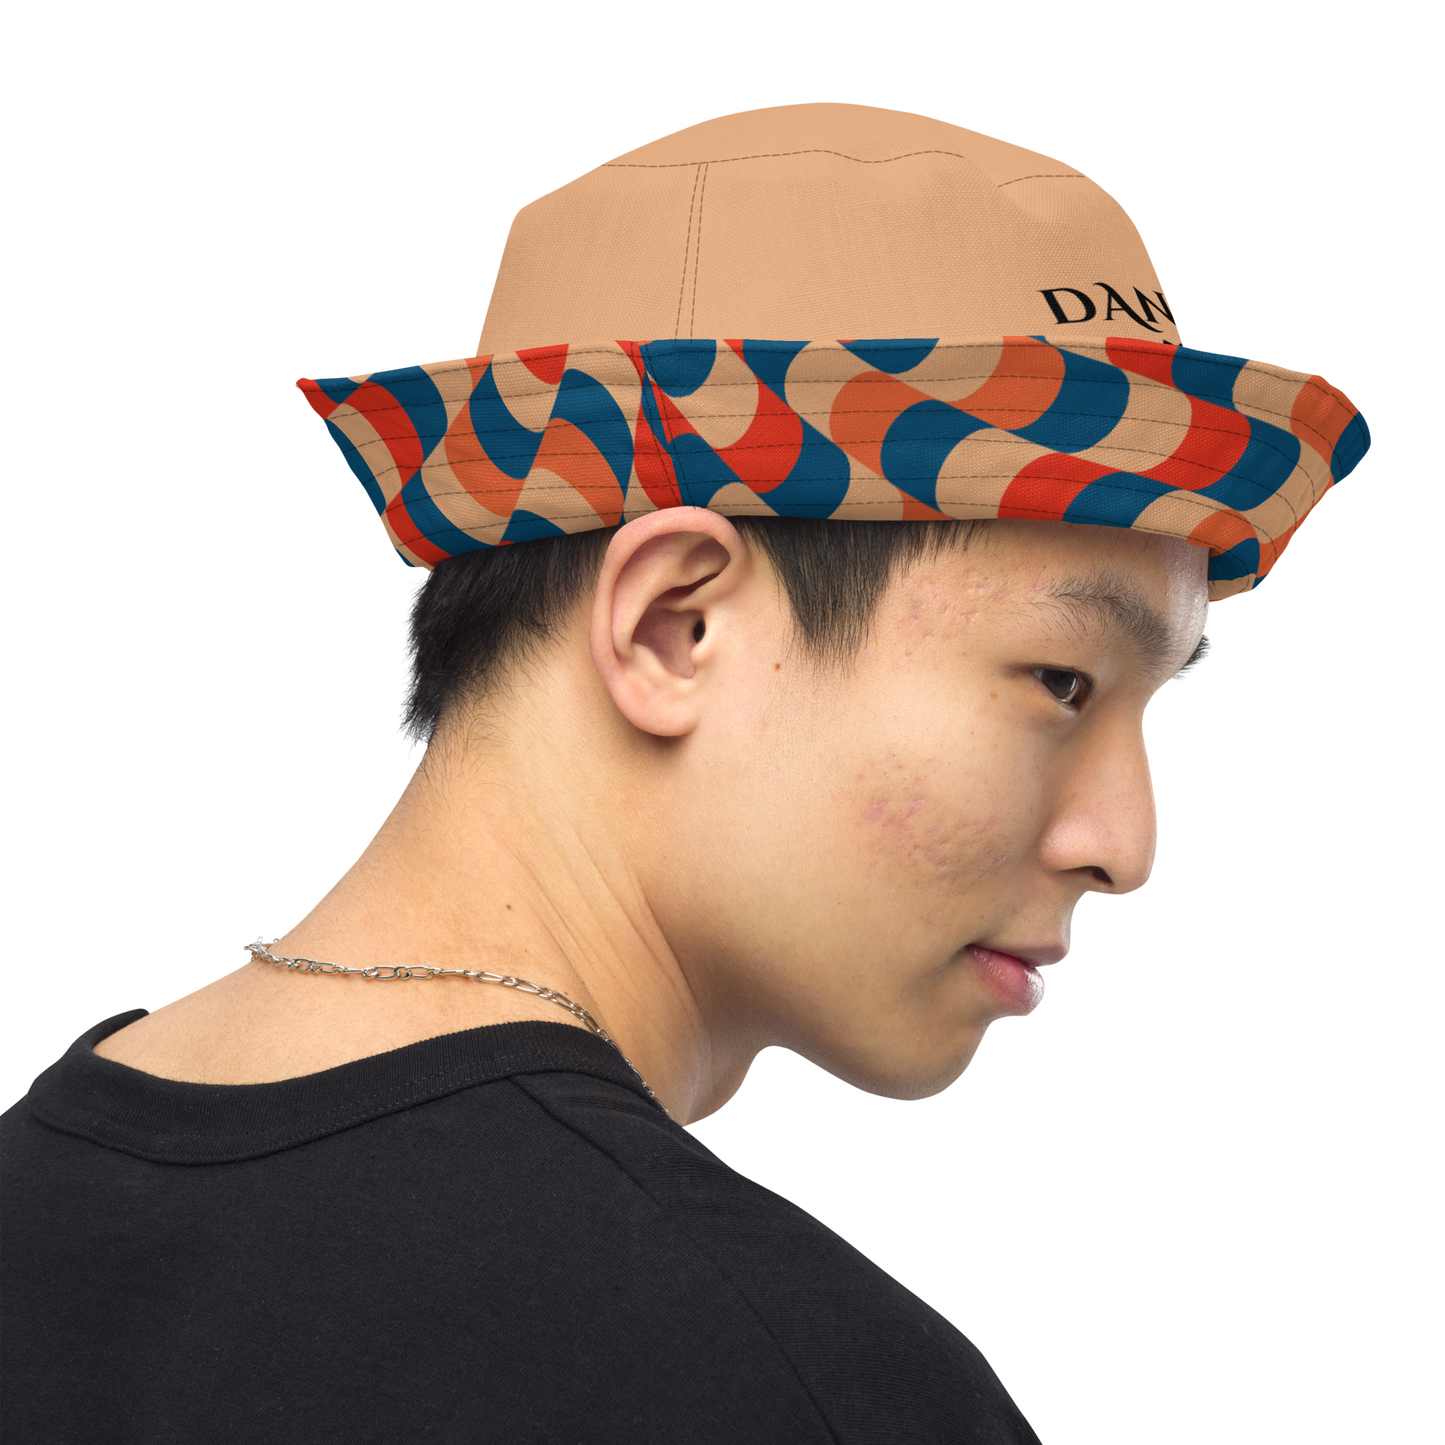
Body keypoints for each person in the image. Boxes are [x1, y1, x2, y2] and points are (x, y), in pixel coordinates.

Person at [0, 100, 1370, 1443]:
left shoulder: (34, 1180)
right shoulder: (800, 1386)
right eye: (1062, 682)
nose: (1127, 845)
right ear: (675, 626)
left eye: (1151, 707)